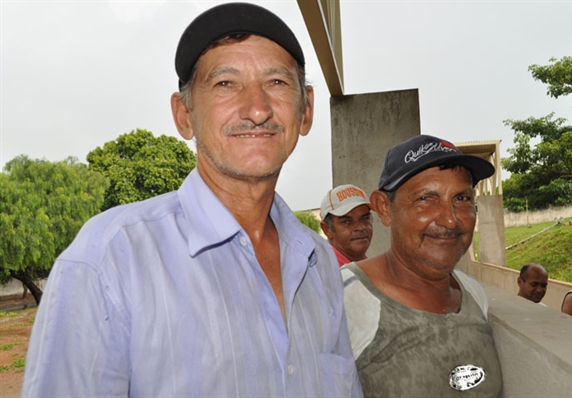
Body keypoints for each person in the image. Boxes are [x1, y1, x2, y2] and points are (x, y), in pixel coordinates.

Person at [21, 3, 361, 397]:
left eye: (277, 83)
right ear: (184, 115)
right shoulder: (110, 260)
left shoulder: (318, 264)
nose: (257, 108)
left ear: (306, 111)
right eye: (225, 83)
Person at [342, 134, 503, 397]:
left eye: (462, 198)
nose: (450, 220)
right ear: (384, 208)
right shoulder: (343, 299)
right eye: (426, 199)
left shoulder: (474, 295)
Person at [320, 184, 374, 266]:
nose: (360, 227)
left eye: (365, 219)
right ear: (327, 229)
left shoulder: (369, 267)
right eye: (346, 222)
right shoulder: (326, 272)